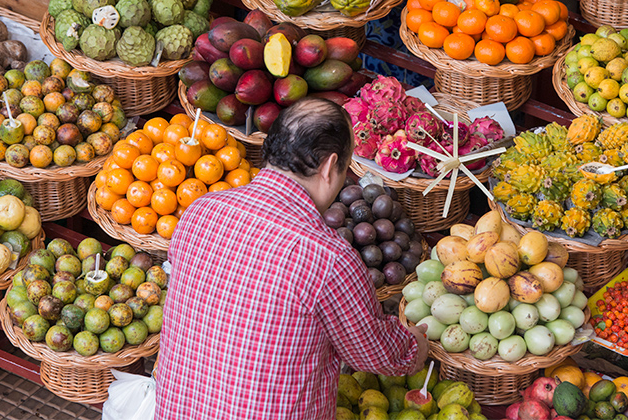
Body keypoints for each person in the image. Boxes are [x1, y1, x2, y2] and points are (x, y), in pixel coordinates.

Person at [155, 97, 428, 419]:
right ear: (329, 166)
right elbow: (374, 354)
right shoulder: (329, 258)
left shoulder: (201, 211)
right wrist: (414, 345)